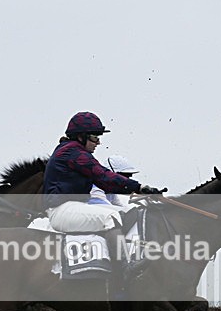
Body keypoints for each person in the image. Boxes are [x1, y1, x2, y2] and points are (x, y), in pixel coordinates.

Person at [43, 112, 163, 293]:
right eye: (94, 137)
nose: (98, 142)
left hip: (71, 207)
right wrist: (140, 187)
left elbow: (104, 180)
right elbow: (103, 175)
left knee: (119, 215)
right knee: (112, 217)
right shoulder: (73, 152)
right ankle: (124, 269)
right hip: (61, 210)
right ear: (81, 136)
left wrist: (138, 189)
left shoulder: (75, 151)